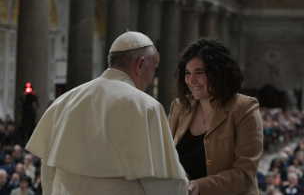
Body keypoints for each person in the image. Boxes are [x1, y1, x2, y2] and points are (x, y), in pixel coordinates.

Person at [25, 31, 188, 195]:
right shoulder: (146, 107)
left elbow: (48, 170)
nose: (151, 78)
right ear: (140, 65)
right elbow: (162, 181)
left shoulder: (65, 101)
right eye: (152, 70)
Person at [168, 38, 263, 195]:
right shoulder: (179, 106)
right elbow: (167, 156)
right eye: (187, 73)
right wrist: (180, 177)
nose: (191, 80)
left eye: (199, 72)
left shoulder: (244, 108)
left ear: (219, 73)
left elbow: (244, 174)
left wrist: (200, 186)